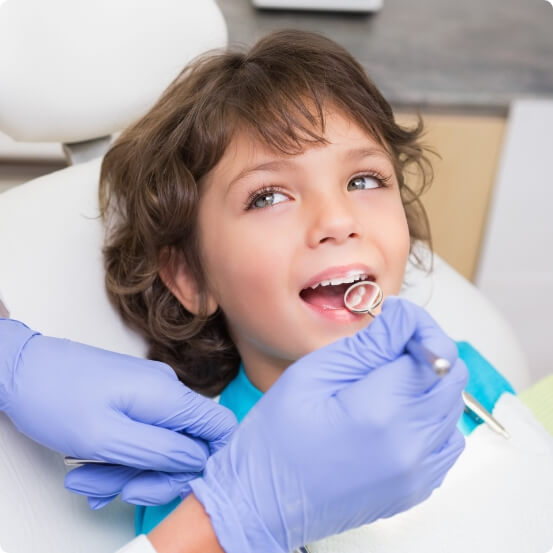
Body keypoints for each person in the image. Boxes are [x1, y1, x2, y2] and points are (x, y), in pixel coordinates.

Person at [0, 29, 468, 553]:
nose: (338, 220)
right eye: (268, 196)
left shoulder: (456, 369)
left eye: (364, 181)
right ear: (191, 279)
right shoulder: (205, 490)